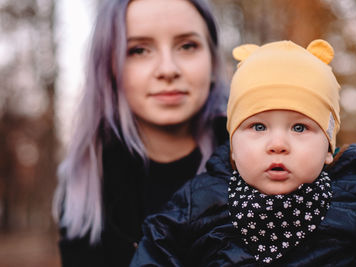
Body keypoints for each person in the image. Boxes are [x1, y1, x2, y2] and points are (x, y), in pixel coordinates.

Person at [130, 39, 356, 266]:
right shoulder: (200, 202)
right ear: (233, 147)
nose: (278, 143)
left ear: (328, 148)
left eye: (299, 127)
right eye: (258, 126)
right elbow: (156, 251)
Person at [52, 0, 228, 266]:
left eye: (188, 45)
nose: (168, 70)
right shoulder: (85, 184)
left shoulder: (265, 163)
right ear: (108, 68)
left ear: (213, 61)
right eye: (139, 50)